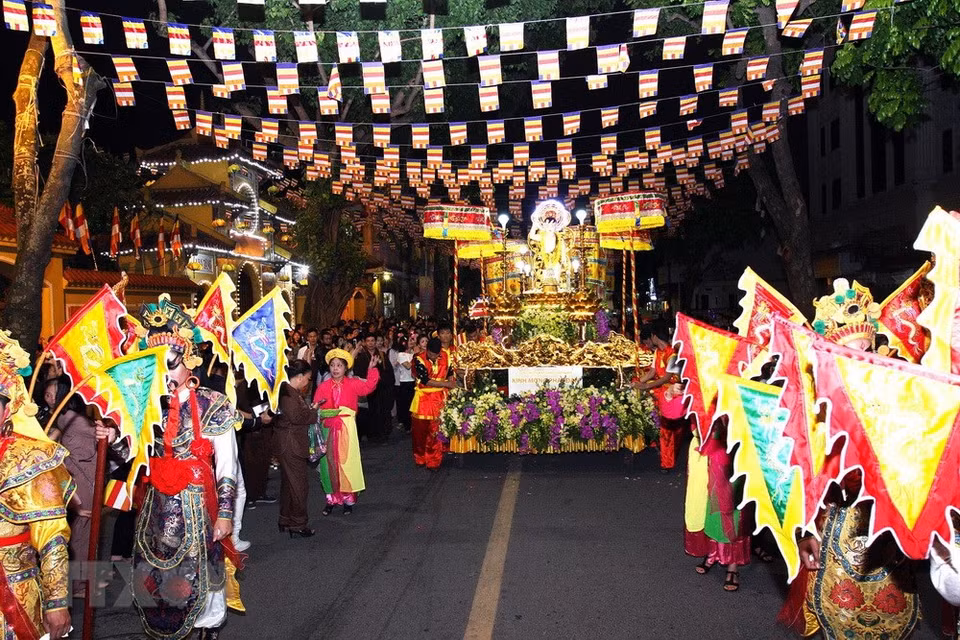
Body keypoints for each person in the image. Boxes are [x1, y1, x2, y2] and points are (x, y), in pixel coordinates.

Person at [779, 280, 919, 639]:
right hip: (833, 529)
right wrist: (804, 531)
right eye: (848, 353)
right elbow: (799, 473)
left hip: (886, 532)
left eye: (866, 350)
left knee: (888, 621)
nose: (860, 360)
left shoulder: (897, 395)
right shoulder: (812, 403)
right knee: (837, 620)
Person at [122, 296, 245, 640]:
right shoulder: (145, 406)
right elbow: (131, 454)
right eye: (156, 365)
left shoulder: (212, 404)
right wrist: (112, 438)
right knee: (156, 573)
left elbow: (227, 464)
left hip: (197, 505)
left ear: (189, 360)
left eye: (171, 363)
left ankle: (207, 626)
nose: (165, 373)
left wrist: (225, 515)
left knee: (201, 571)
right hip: (155, 507)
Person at [0, 332, 73, 640]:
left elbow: (52, 536)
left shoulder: (29, 459)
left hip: (15, 591)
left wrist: (57, 603)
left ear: (7, 409)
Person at [44, 375, 101, 588]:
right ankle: (78, 584)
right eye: (47, 395)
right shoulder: (71, 418)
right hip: (81, 478)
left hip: (81, 476)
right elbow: (100, 433)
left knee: (84, 529)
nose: (50, 399)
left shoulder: (65, 417)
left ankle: (83, 580)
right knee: (82, 530)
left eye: (52, 394)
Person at [313, 348, 381, 515]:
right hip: (328, 429)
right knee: (328, 464)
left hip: (347, 429)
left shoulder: (352, 383)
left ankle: (348, 499)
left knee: (347, 463)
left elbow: (368, 387)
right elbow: (316, 407)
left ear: (346, 368)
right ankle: (331, 498)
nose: (335, 369)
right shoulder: (323, 387)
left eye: (339, 365)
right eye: (333, 365)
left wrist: (372, 369)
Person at [273, 360, 318, 537]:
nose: (308, 382)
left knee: (289, 484)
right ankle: (298, 524)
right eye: (307, 378)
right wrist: (313, 412)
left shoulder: (288, 391)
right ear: (299, 377)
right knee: (299, 485)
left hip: (288, 443)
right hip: (291, 444)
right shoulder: (288, 394)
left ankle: (286, 519)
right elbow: (297, 417)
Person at [635, 323, 683, 473]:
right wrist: (636, 382)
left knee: (668, 430)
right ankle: (660, 449)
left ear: (654, 336)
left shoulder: (673, 353)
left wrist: (646, 386)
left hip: (673, 393)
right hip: (660, 391)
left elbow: (667, 378)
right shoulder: (658, 352)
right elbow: (651, 372)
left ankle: (667, 462)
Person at [410, 338, 457, 470]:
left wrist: (451, 384)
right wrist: (446, 384)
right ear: (427, 350)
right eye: (431, 354)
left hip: (439, 398)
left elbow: (450, 372)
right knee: (419, 431)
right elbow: (425, 380)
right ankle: (420, 457)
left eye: (437, 354)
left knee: (436, 431)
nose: (434, 357)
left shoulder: (446, 356)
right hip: (423, 399)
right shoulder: (418, 359)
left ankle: (433, 460)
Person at [354, 332, 393, 443]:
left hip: (382, 388)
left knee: (383, 411)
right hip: (368, 389)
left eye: (372, 341)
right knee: (370, 411)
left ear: (376, 342)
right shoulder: (361, 357)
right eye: (368, 341)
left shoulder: (382, 355)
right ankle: (371, 434)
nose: (370, 343)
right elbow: (358, 373)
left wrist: (383, 382)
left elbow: (388, 372)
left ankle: (383, 433)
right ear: (365, 343)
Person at [393, 333, 417, 433]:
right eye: (410, 340)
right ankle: (407, 426)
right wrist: (416, 357)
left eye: (412, 340)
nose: (412, 342)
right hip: (405, 383)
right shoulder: (401, 355)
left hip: (414, 381)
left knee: (414, 404)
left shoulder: (413, 354)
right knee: (407, 405)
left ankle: (414, 425)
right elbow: (408, 366)